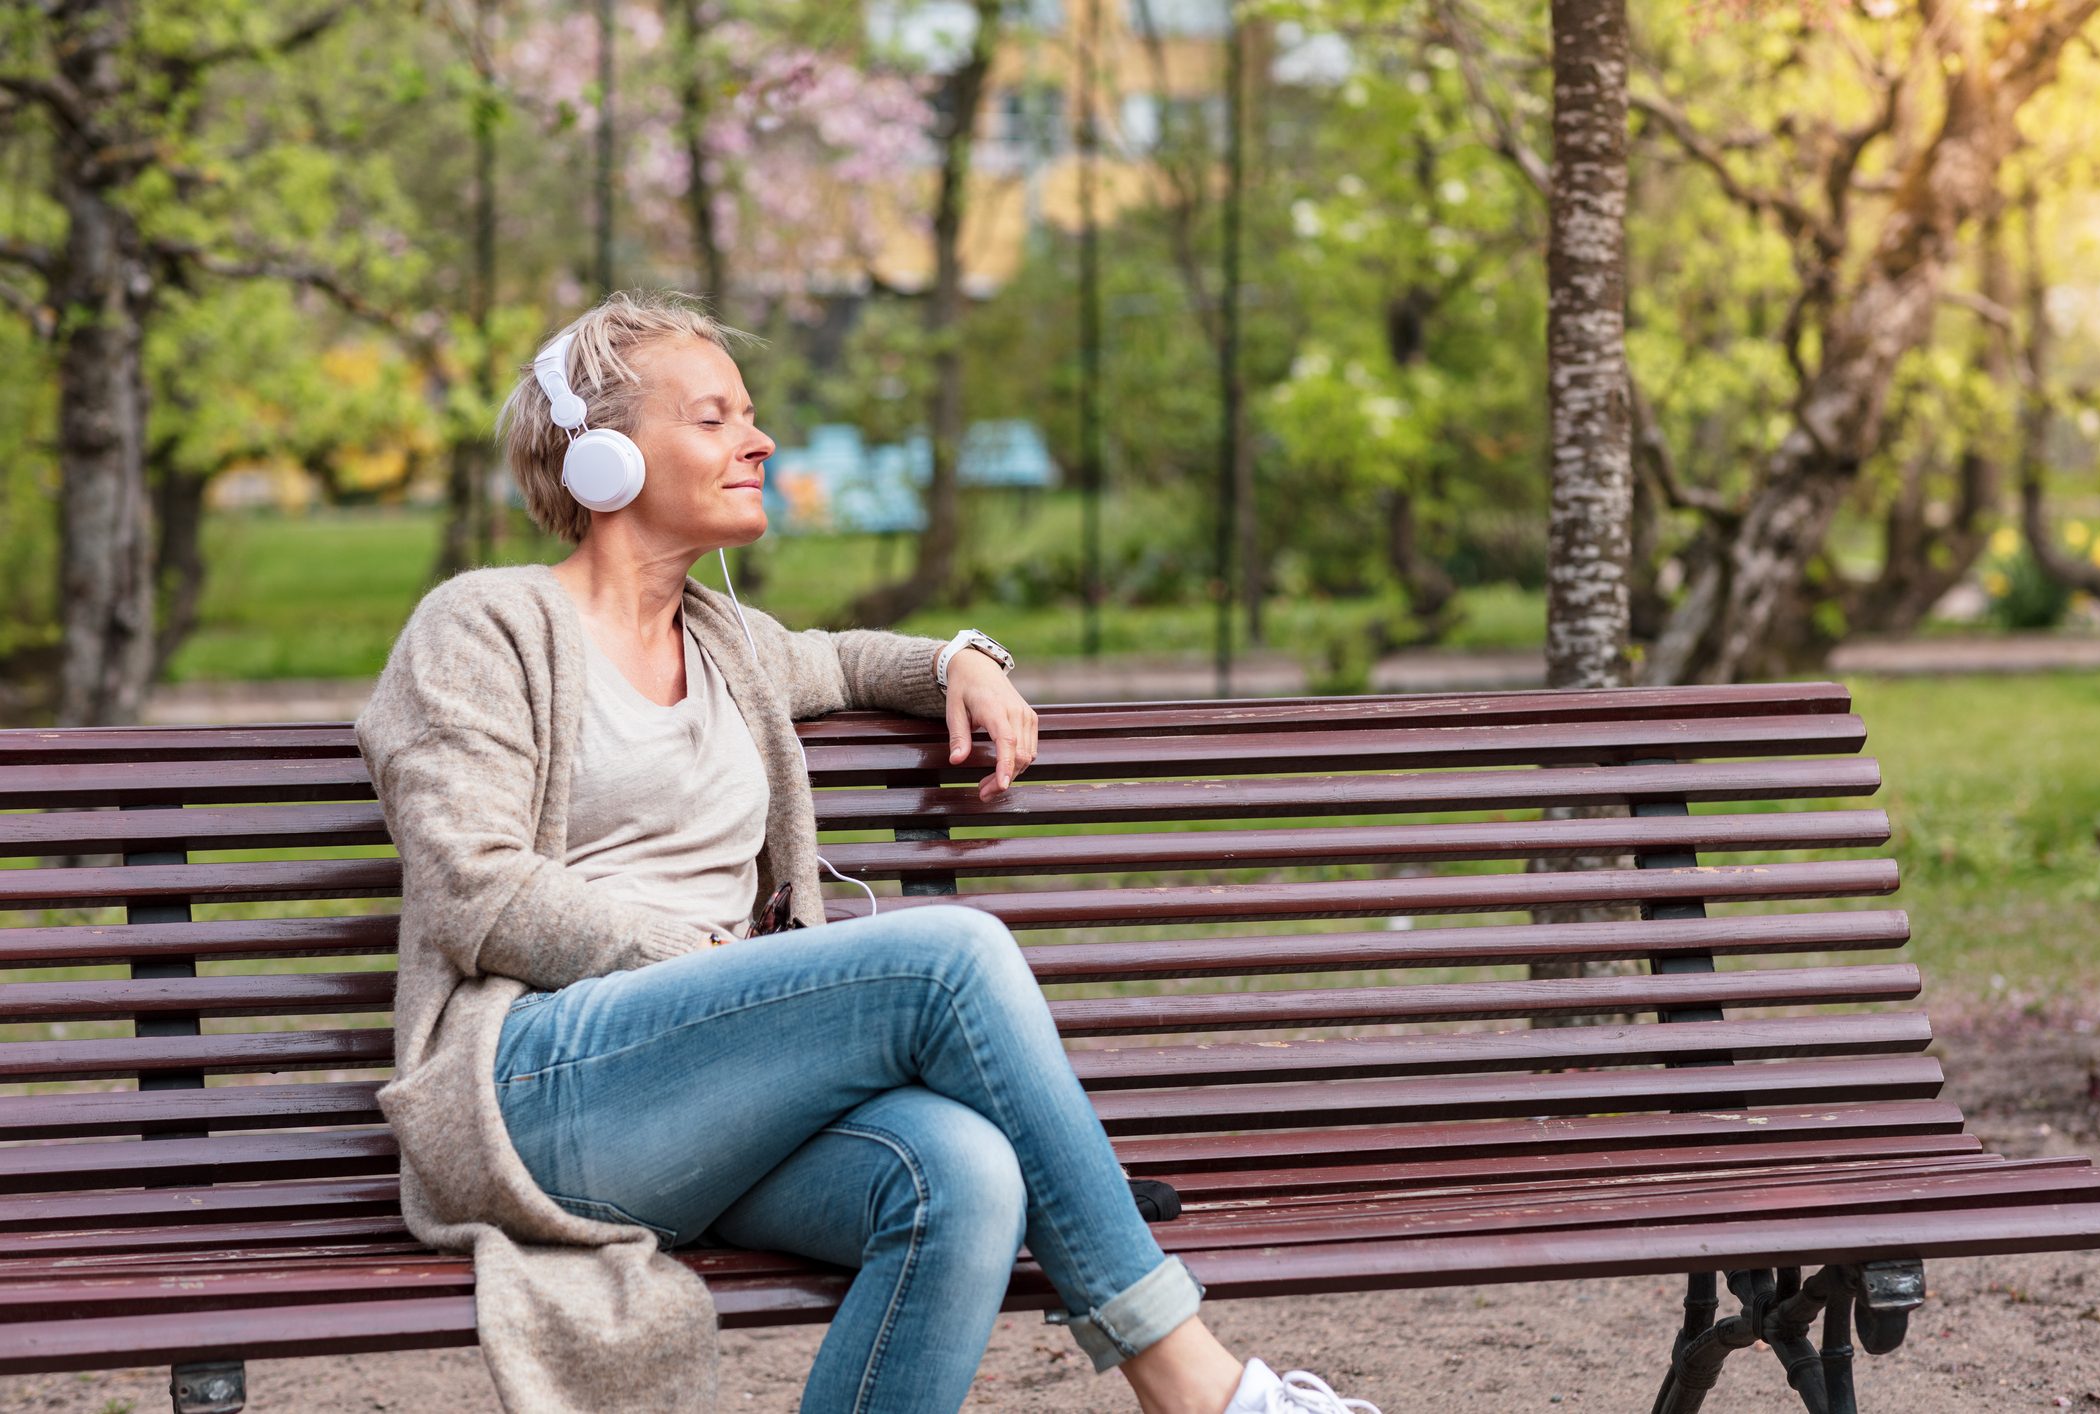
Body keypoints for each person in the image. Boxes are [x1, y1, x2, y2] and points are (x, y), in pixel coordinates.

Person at [354, 288, 1383, 1414]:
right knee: (950, 954)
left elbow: (845, 662)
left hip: (707, 1094)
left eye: (750, 414)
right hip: (540, 1085)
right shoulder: (482, 627)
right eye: (714, 418)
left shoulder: (728, 642)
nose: (760, 440)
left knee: (965, 1176)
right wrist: (696, 960)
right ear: (602, 457)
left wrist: (961, 661)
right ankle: (1194, 1381)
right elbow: (475, 890)